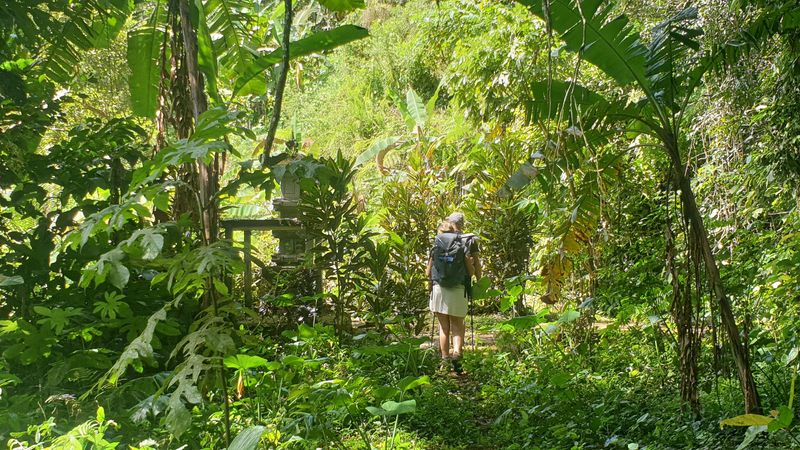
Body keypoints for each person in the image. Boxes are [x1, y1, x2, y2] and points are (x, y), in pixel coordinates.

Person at [426, 212, 481, 373]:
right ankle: (457, 355)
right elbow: (473, 271)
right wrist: (478, 280)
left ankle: (444, 360)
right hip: (458, 288)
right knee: (458, 325)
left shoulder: (438, 242)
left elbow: (427, 272)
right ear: (462, 224)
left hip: (439, 288)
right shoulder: (467, 241)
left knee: (444, 327)